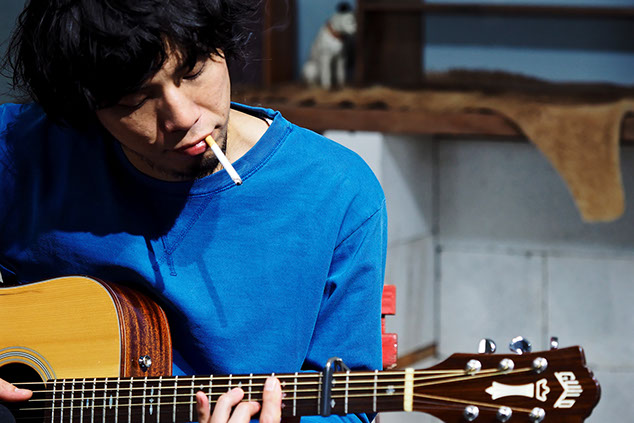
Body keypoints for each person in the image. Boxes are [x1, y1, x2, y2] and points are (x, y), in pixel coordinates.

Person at [0, 1, 387, 422]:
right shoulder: (20, 151)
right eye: (135, 99)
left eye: (194, 71)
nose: (183, 117)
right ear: (84, 106)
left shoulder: (337, 191)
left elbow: (348, 407)